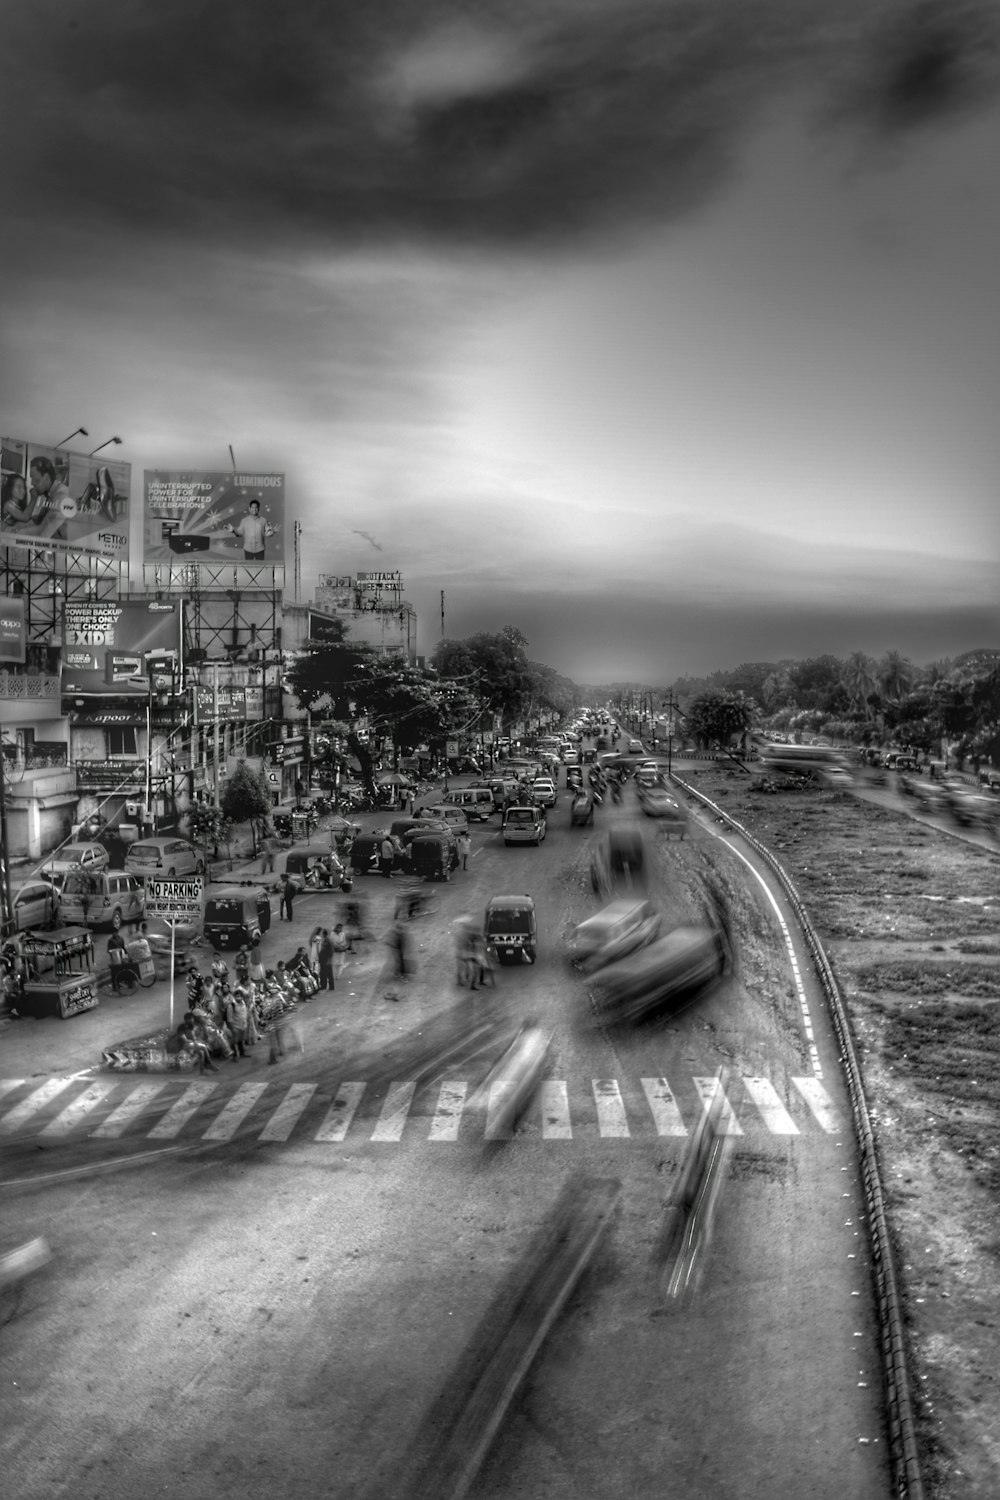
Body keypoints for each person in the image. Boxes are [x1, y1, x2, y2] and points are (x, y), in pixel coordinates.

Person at [225, 988, 249, 1058]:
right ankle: (234, 1055)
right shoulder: (231, 1005)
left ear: (242, 997)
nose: (238, 998)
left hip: (243, 1026)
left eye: (240, 996)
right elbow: (229, 1018)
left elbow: (244, 1014)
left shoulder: (243, 1003)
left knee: (241, 1040)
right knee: (234, 1041)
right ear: (234, 997)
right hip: (235, 1027)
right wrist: (232, 1028)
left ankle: (242, 1053)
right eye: (237, 996)